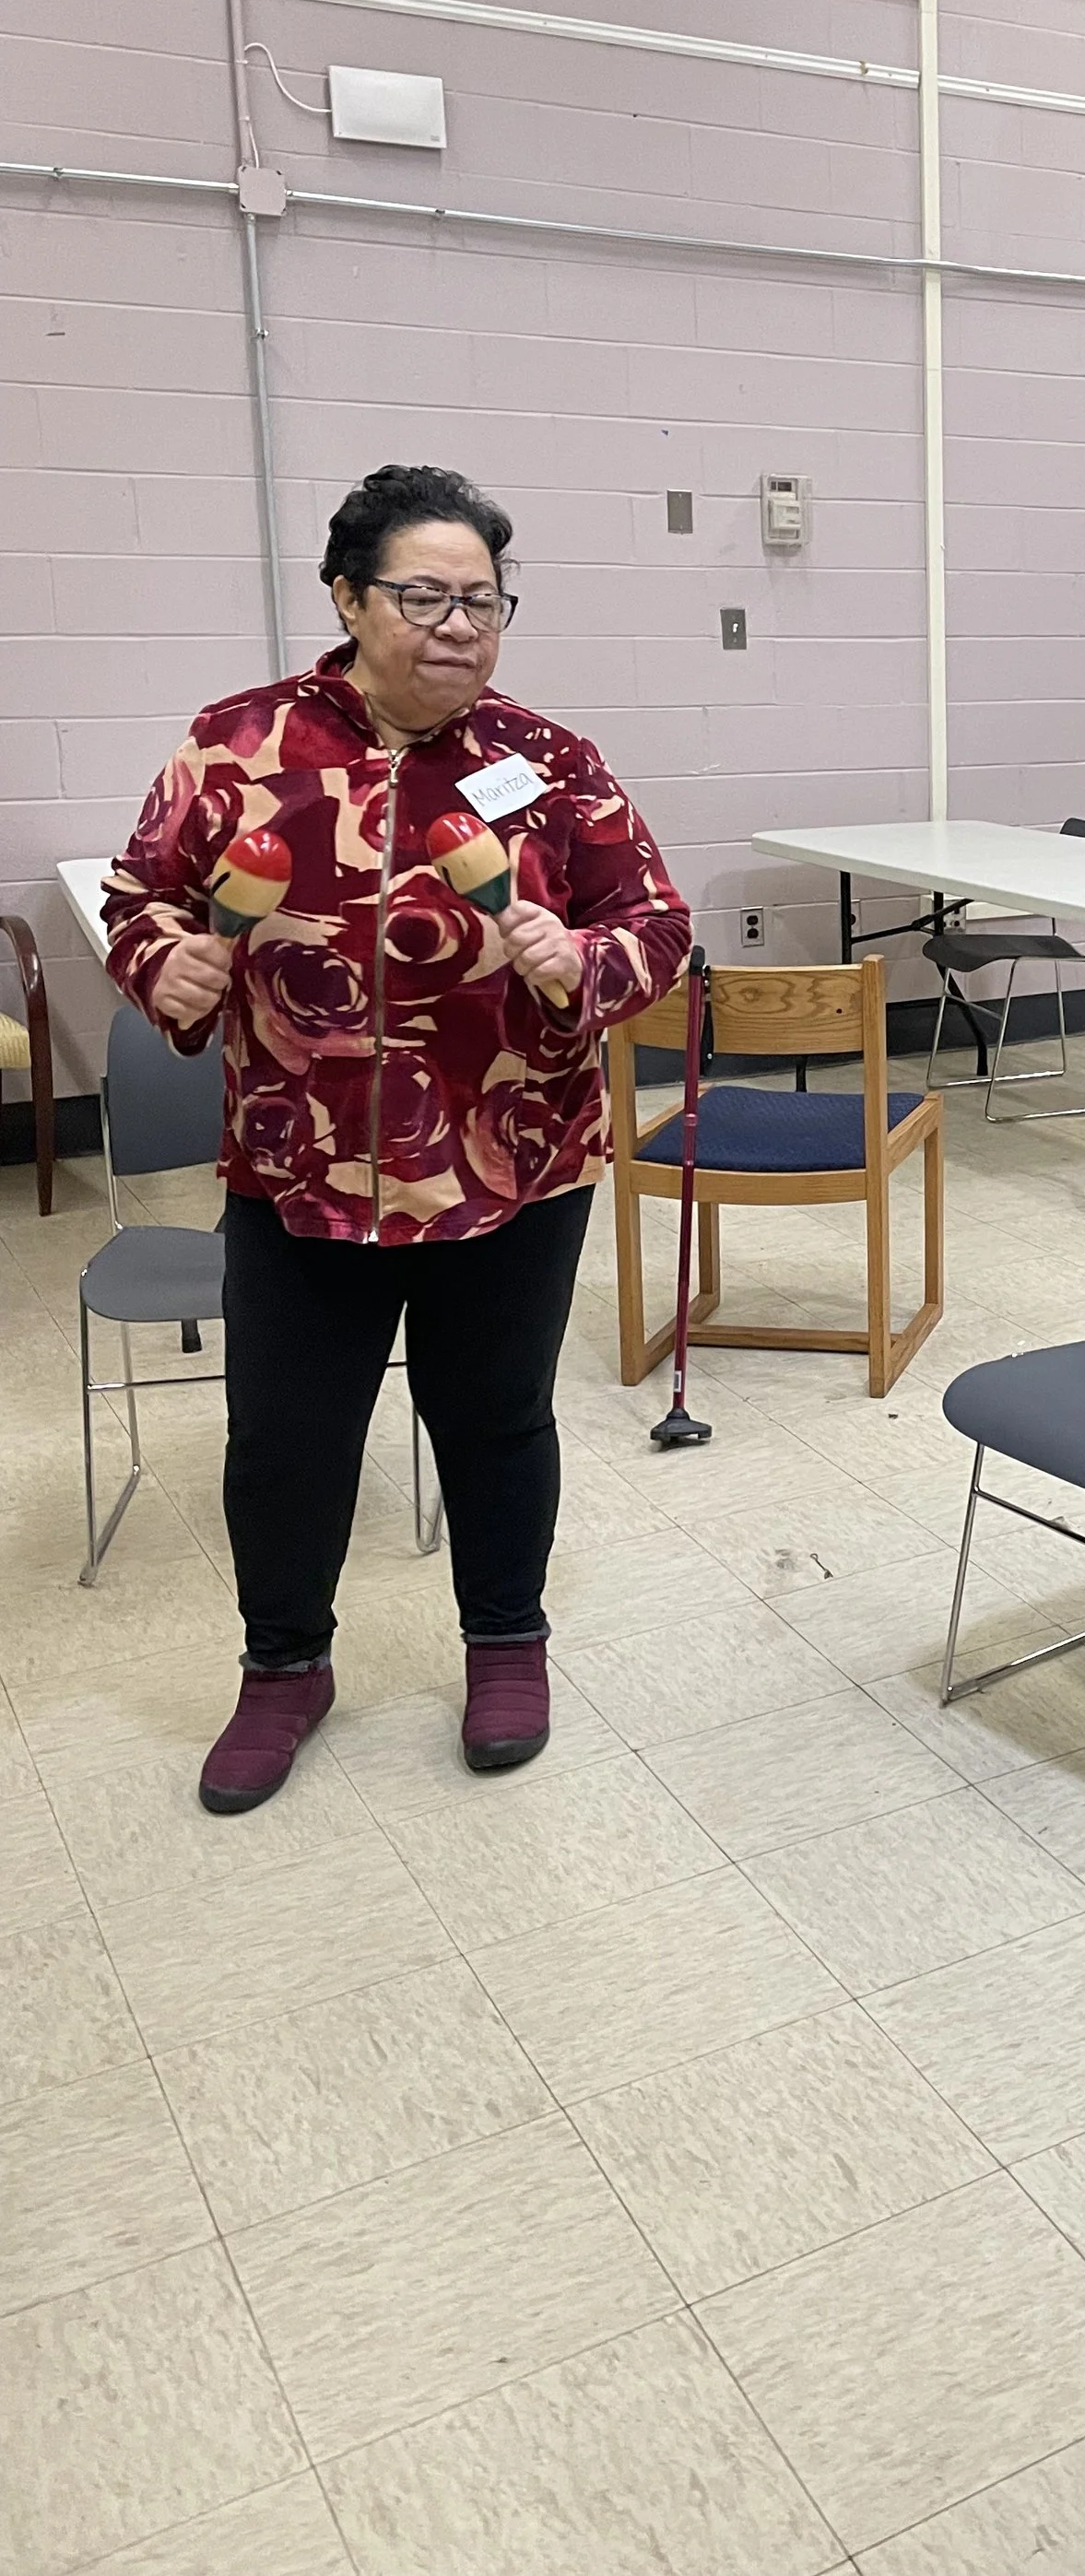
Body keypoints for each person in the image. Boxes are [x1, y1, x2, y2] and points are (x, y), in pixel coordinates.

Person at [105, 465, 688, 1814]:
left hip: (514, 1161)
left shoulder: (549, 765)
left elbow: (655, 930)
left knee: (492, 1419)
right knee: (288, 1437)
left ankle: (506, 1645)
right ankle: (283, 1669)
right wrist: (164, 965)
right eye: (423, 595)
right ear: (346, 599)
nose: (458, 627)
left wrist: (578, 954)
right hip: (301, 1165)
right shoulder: (236, 749)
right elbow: (142, 895)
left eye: (483, 600)